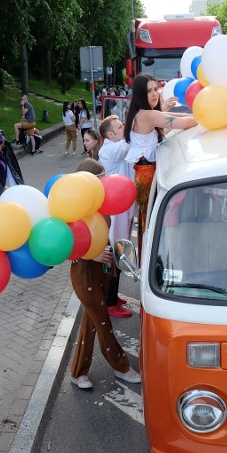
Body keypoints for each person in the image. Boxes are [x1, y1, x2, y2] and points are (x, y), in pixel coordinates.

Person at [68, 158, 141, 390]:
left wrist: (110, 253)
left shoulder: (100, 204)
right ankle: (121, 367)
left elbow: (103, 236)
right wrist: (92, 255)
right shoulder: (73, 210)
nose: (105, 181)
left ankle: (78, 372)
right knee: (102, 322)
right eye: (100, 178)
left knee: (90, 324)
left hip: (102, 271)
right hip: (84, 273)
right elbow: (67, 247)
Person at [124, 73, 197, 259]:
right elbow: (183, 122)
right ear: (141, 93)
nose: (154, 94)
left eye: (156, 89)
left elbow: (173, 115)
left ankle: (149, 262)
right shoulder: (148, 115)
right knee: (153, 224)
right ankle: (154, 262)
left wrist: (193, 115)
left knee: (148, 222)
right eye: (149, 91)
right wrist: (203, 118)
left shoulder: (139, 113)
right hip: (148, 176)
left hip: (143, 174)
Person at [98, 116, 133, 319]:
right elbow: (128, 142)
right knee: (115, 251)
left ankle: (113, 295)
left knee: (121, 249)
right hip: (116, 211)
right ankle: (110, 302)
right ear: (110, 134)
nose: (124, 128)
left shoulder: (116, 146)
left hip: (123, 207)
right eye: (120, 126)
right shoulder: (109, 150)